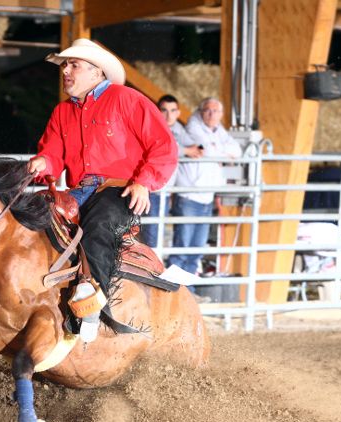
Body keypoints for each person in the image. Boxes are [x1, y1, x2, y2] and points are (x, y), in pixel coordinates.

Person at [28, 39, 177, 342]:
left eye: (73, 65)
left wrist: (143, 182)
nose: (66, 71)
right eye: (65, 65)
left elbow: (162, 145)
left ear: (96, 73)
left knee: (98, 225)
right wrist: (43, 162)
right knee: (28, 220)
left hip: (119, 189)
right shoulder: (62, 113)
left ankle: (91, 302)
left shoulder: (126, 99)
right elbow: (53, 153)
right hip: (79, 191)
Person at [167, 97, 241, 276]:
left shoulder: (218, 130)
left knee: (197, 249)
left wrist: (217, 150)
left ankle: (188, 291)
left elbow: (237, 150)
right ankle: (173, 290)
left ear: (221, 115)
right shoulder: (193, 126)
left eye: (216, 111)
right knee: (182, 247)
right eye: (208, 110)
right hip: (189, 196)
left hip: (206, 197)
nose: (211, 114)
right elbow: (206, 150)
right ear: (201, 112)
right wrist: (222, 153)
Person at [140, 94, 203, 249]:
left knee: (157, 230)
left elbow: (194, 147)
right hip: (151, 189)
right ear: (157, 111)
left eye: (173, 110)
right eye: (164, 110)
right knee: (151, 234)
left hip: (166, 190)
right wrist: (186, 150)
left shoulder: (178, 129)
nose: (168, 115)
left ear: (178, 113)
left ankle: (152, 267)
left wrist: (191, 149)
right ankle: (148, 270)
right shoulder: (152, 125)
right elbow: (162, 149)